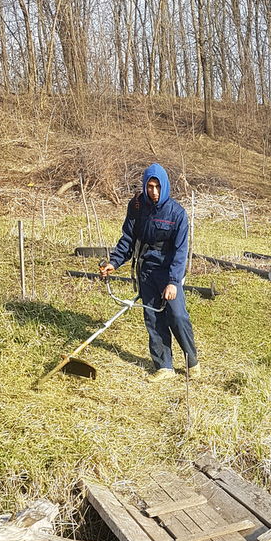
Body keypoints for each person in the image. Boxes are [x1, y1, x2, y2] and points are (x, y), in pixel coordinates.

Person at [100, 163, 200, 382]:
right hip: (146, 269)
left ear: (164, 186)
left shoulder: (177, 214)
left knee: (177, 315)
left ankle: (192, 361)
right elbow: (128, 238)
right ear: (145, 186)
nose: (153, 192)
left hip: (168, 271)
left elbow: (180, 251)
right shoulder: (137, 207)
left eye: (157, 187)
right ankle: (164, 366)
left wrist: (173, 281)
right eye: (150, 186)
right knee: (153, 318)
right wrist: (114, 263)